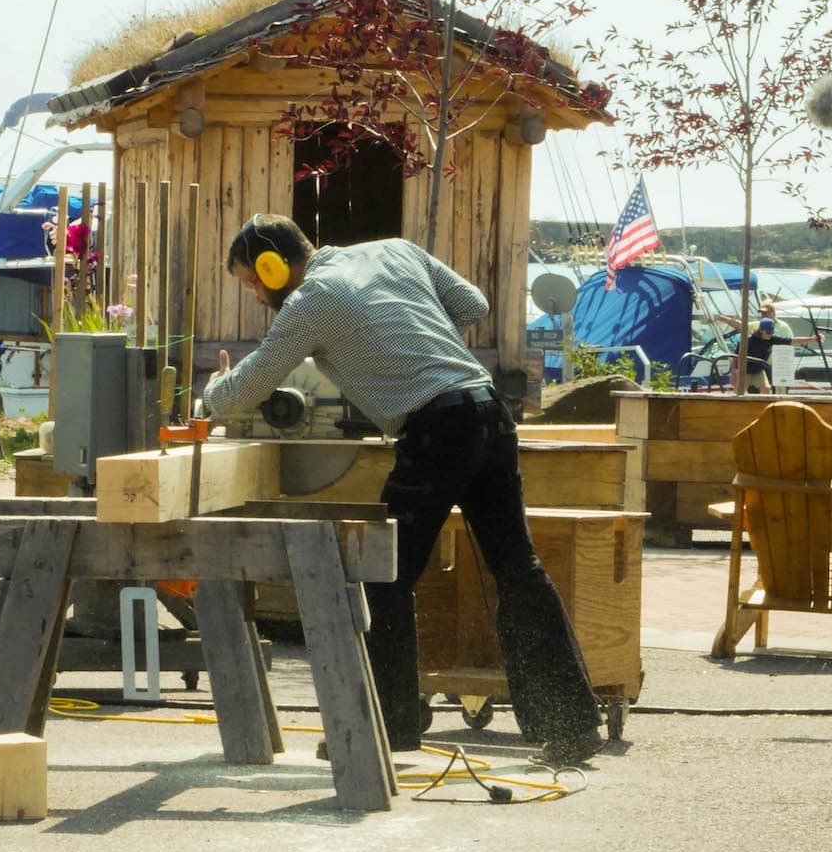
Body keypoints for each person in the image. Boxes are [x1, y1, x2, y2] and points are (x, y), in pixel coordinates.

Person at [202, 214, 604, 765]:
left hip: (436, 430)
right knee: (518, 568)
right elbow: (474, 307)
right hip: (488, 412)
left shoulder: (311, 299)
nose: (254, 294)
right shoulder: (396, 249)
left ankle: (390, 726)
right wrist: (407, 335)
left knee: (382, 574)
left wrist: (209, 394)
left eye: (253, 280)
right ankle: (571, 726)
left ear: (274, 267)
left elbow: (248, 385)